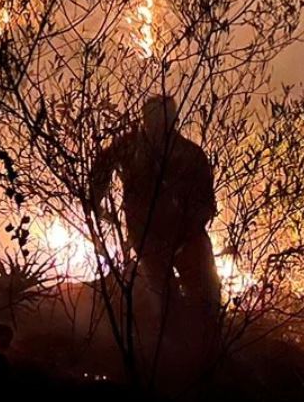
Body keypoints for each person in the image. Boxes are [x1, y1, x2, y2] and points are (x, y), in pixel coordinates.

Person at [88, 95, 221, 314]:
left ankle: (203, 340)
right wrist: (96, 205)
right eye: (154, 117)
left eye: (163, 117)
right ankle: (174, 342)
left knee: (206, 297)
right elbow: (100, 172)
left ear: (174, 119)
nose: (159, 122)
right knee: (167, 300)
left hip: (186, 237)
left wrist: (187, 232)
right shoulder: (131, 147)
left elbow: (205, 202)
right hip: (149, 236)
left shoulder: (188, 153)